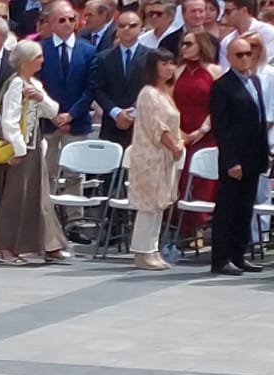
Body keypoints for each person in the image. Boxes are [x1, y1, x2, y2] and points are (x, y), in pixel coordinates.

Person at [0, 41, 70, 264]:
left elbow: (53, 111)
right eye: (38, 57)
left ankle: (49, 244)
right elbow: (9, 121)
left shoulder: (34, 84)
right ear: (26, 61)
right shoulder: (15, 84)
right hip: (21, 149)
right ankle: (6, 248)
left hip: (35, 146)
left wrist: (40, 97)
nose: (42, 61)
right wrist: (19, 150)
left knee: (40, 195)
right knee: (15, 198)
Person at [207, 35, 269, 275]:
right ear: (229, 57)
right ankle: (221, 258)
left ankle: (238, 255)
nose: (245, 58)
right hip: (234, 159)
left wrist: (265, 153)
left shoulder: (254, 81)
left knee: (245, 208)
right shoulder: (223, 86)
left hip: (253, 156)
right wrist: (231, 161)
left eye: (248, 54)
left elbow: (259, 119)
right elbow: (221, 128)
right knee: (228, 209)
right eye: (239, 55)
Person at [128, 49, 183, 270]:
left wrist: (180, 142)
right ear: (154, 67)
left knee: (160, 204)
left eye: (172, 63)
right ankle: (142, 251)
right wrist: (173, 145)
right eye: (164, 64)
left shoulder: (165, 93)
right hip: (150, 155)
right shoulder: (148, 93)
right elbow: (157, 126)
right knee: (148, 204)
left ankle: (153, 248)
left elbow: (173, 123)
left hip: (165, 156)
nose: (169, 68)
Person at [36, 1, 97, 193]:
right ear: (51, 23)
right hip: (48, 123)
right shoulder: (40, 49)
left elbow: (91, 88)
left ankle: (75, 211)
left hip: (76, 122)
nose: (68, 23)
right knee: (46, 172)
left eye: (72, 19)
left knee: (75, 173)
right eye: (62, 20)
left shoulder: (88, 50)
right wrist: (53, 114)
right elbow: (37, 86)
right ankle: (45, 210)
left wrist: (70, 115)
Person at [172, 30, 220, 242]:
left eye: (189, 44)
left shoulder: (214, 71)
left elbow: (218, 105)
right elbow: (170, 102)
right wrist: (180, 131)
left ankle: (200, 226)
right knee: (181, 180)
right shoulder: (177, 71)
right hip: (182, 132)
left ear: (201, 45)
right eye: (183, 44)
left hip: (205, 133)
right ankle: (184, 229)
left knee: (203, 181)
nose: (184, 47)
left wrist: (202, 130)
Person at [92, 11, 150, 146]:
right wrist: (116, 112)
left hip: (141, 124)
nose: (127, 29)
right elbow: (97, 89)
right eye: (122, 25)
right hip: (112, 125)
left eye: (132, 25)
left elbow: (153, 88)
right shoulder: (103, 58)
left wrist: (133, 113)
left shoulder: (151, 56)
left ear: (141, 28)